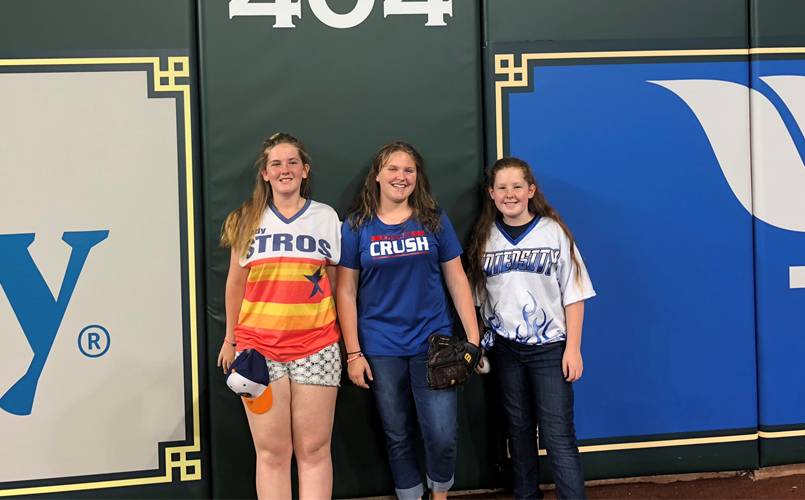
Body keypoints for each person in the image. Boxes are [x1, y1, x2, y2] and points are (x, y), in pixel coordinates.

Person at [336, 141, 480, 500]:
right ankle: (410, 495)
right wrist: (353, 353)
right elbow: (345, 292)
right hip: (380, 348)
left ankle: (440, 493)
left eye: (409, 170)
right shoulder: (356, 227)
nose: (401, 177)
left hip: (434, 346)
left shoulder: (433, 219)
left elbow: (458, 280)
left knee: (442, 433)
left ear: (418, 177)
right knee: (397, 432)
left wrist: (473, 340)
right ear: (378, 176)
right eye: (393, 169)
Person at [217, 133, 342, 500]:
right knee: (272, 453)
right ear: (265, 174)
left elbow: (337, 284)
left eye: (292, 163)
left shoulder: (326, 217)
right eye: (276, 164)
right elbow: (235, 285)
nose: (284, 169)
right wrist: (230, 339)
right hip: (258, 351)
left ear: (305, 171)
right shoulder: (246, 219)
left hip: (317, 346)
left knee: (315, 451)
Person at [467, 157, 595, 500]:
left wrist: (573, 347)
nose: (510, 194)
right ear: (491, 193)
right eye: (502, 188)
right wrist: (479, 343)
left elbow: (575, 294)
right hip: (505, 349)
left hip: (550, 348)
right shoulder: (484, 237)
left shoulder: (552, 232)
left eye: (517, 187)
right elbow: (481, 300)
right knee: (519, 431)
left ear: (530, 191)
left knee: (557, 435)